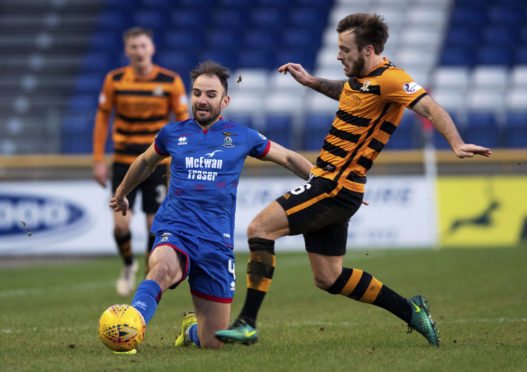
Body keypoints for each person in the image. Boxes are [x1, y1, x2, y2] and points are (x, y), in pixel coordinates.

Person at [215, 13, 492, 347]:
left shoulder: (392, 79)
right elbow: (348, 91)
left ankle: (247, 323)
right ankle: (411, 310)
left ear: (368, 49)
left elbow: (431, 107)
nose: (338, 55)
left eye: (345, 49)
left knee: (259, 229)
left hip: (333, 186)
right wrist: (311, 82)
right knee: (328, 277)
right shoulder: (363, 80)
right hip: (337, 186)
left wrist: (456, 143)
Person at [108, 60, 314, 351]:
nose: (202, 100)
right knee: (163, 267)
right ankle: (130, 323)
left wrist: (322, 180)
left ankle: (191, 330)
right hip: (176, 228)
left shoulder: (242, 136)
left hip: (217, 241)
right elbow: (145, 161)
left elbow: (289, 157)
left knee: (213, 342)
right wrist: (123, 191)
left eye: (210, 95)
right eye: (197, 93)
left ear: (225, 100)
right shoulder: (172, 133)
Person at [92, 27, 189, 297]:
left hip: (157, 163)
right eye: (134, 47)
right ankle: (127, 265)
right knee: (120, 224)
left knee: (152, 224)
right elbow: (102, 119)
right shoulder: (115, 80)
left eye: (143, 45)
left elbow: (183, 121)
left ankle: (151, 274)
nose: (139, 51)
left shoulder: (170, 81)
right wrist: (98, 159)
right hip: (124, 161)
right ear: (127, 51)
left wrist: (182, 158)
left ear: (152, 48)